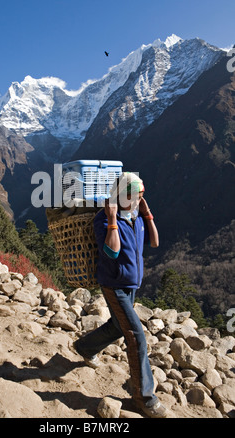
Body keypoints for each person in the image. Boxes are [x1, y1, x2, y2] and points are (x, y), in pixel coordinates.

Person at [74, 172, 167, 418]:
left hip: (131, 285)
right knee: (136, 336)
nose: (137, 201)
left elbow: (155, 242)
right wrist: (112, 218)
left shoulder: (135, 218)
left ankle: (85, 347)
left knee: (118, 326)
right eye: (133, 197)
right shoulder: (103, 220)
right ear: (120, 196)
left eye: (140, 197)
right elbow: (112, 252)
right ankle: (144, 398)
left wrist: (147, 214)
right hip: (114, 285)